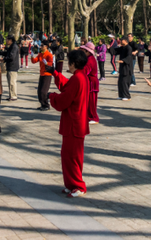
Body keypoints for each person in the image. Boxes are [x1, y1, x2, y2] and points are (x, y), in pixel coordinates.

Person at [44, 49, 90, 197]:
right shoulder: (79, 77)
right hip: (75, 123)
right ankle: (71, 184)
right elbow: (67, 87)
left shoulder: (78, 78)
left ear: (74, 63)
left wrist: (51, 96)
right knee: (67, 155)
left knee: (72, 157)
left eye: (69, 62)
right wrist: (55, 73)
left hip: (74, 124)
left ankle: (79, 186)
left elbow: (64, 99)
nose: (68, 65)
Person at [31, 42, 55, 110]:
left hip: (47, 74)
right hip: (42, 74)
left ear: (46, 46)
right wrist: (32, 56)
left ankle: (46, 105)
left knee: (43, 91)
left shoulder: (49, 55)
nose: (40, 47)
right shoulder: (40, 54)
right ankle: (42, 104)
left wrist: (47, 63)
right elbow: (34, 61)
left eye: (42, 45)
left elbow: (51, 63)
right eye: (40, 45)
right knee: (39, 91)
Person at [80, 41, 100, 124]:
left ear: (88, 51)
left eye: (84, 51)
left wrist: (76, 71)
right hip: (89, 82)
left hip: (92, 83)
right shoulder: (88, 58)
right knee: (88, 101)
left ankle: (93, 117)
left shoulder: (90, 60)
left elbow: (85, 71)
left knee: (91, 101)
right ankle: (88, 116)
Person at [0, 35, 20, 101]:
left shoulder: (14, 47)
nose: (6, 41)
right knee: (10, 82)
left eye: (7, 39)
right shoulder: (11, 46)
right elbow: (7, 53)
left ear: (11, 40)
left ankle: (14, 96)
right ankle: (11, 95)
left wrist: (4, 59)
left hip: (13, 67)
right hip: (10, 66)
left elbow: (11, 57)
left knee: (12, 82)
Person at [115, 35, 134, 100]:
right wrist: (109, 48)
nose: (120, 41)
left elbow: (129, 57)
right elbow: (116, 51)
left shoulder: (129, 48)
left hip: (127, 68)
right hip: (122, 68)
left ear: (125, 41)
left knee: (125, 82)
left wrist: (122, 61)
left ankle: (127, 96)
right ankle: (121, 95)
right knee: (120, 82)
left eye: (121, 40)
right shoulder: (122, 47)